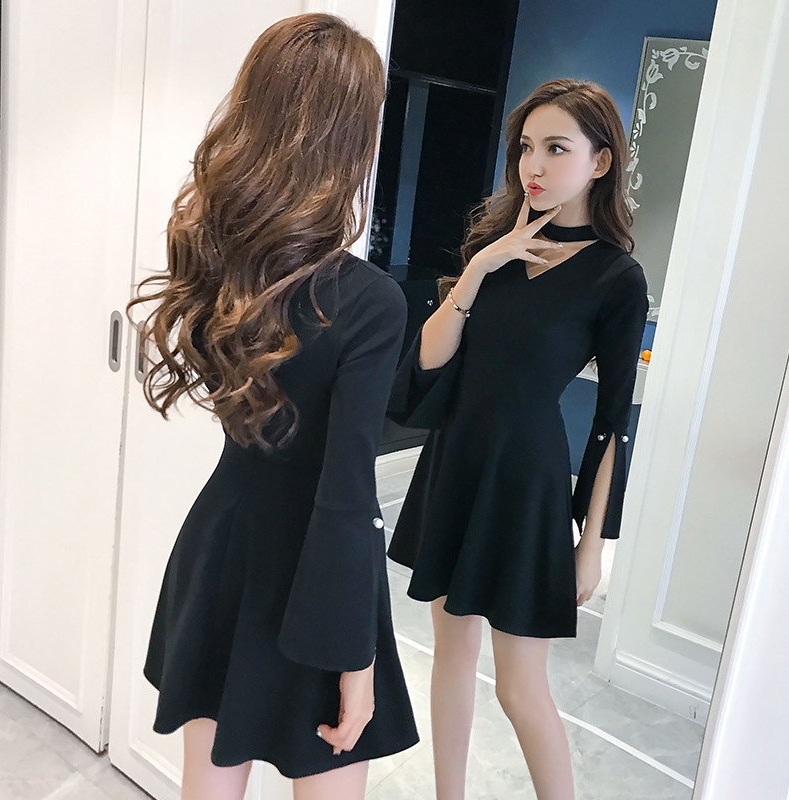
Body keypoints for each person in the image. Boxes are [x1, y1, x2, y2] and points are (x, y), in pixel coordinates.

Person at [127, 14, 418, 800]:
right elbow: (347, 494)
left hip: (222, 551)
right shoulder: (368, 300)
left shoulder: (223, 265)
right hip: (319, 582)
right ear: (351, 136)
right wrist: (355, 660)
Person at [387, 78, 649, 800]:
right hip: (454, 462)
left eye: (556, 148)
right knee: (449, 655)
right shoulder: (492, 250)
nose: (534, 165)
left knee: (519, 686)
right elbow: (427, 368)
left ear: (600, 161)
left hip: (525, 479)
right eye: (527, 147)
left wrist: (592, 545)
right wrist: (478, 269)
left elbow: (613, 422)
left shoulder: (616, 276)